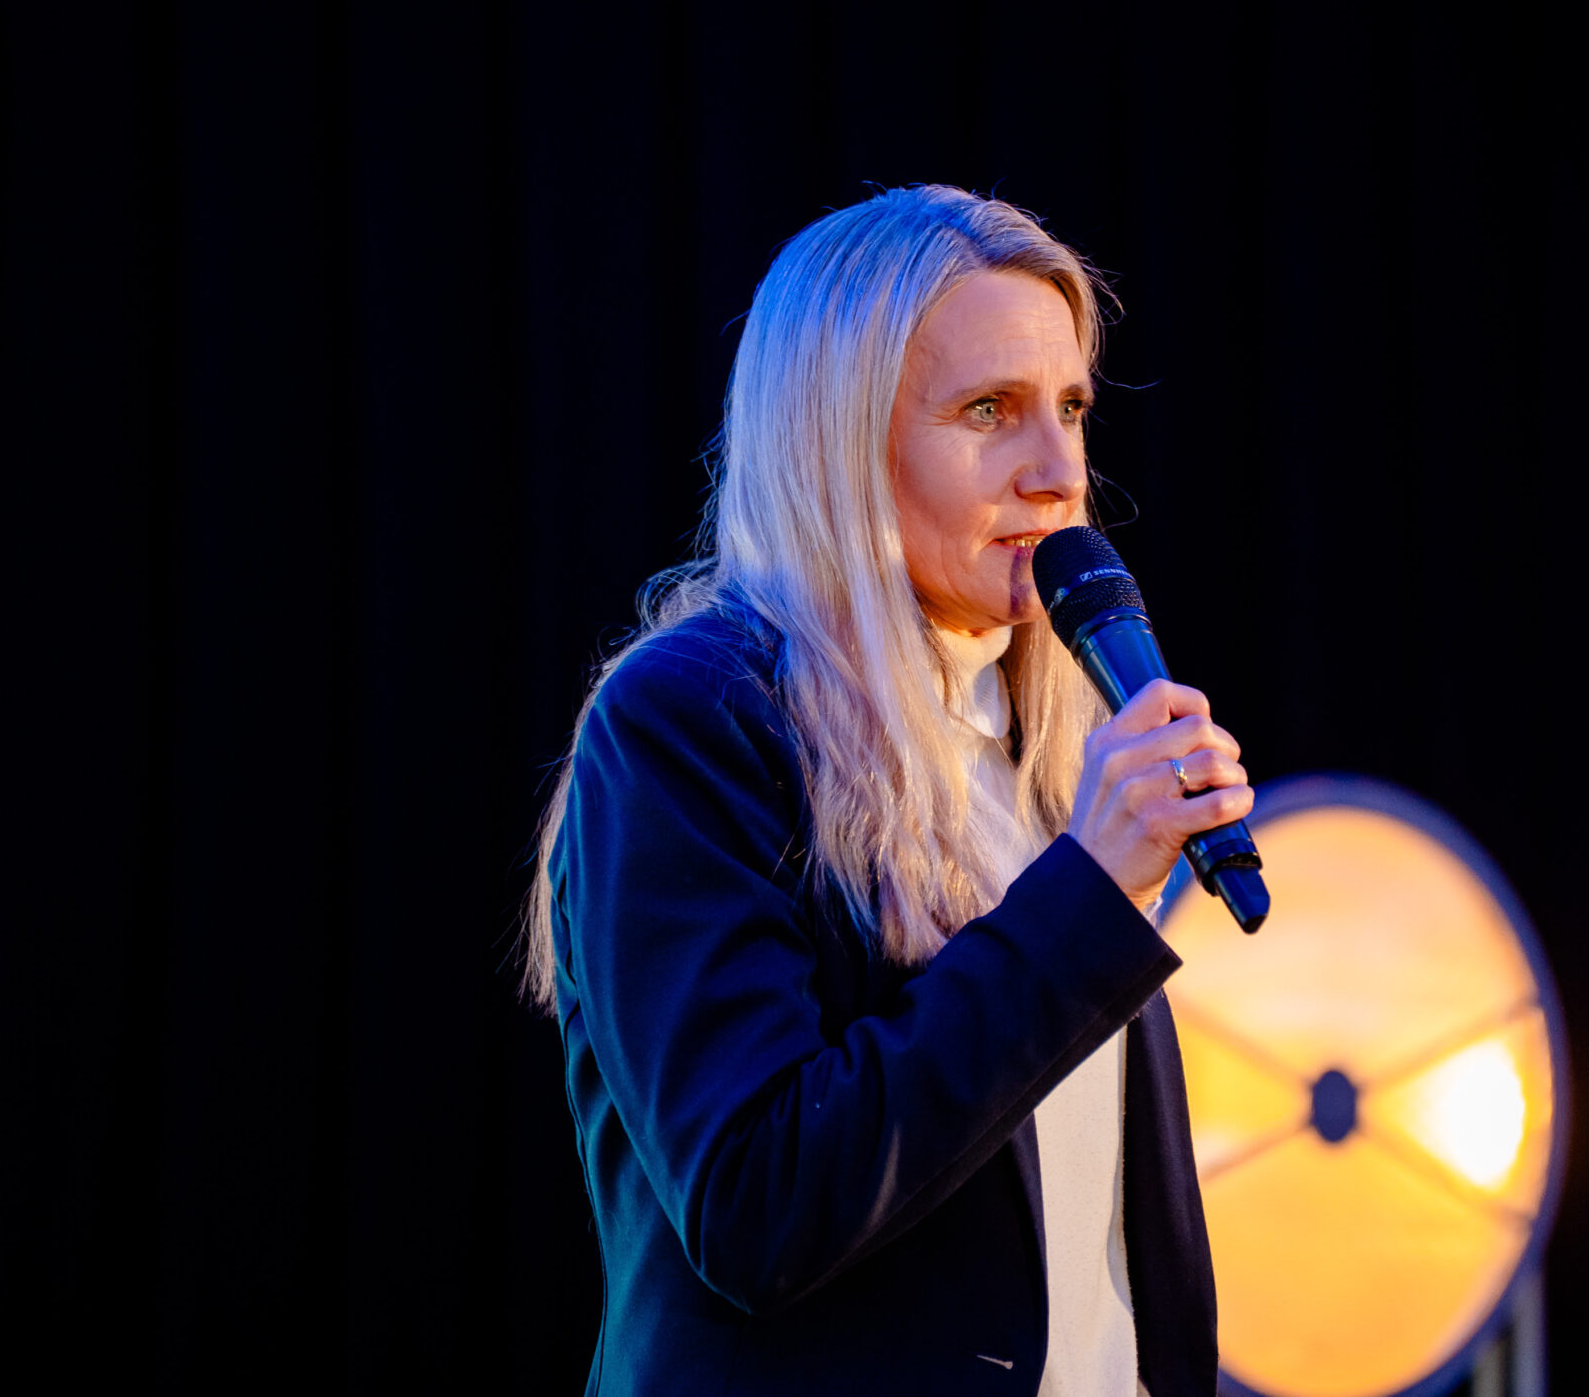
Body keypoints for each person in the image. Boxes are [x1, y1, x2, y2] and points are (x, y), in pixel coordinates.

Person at [521, 185, 1250, 1396]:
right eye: (989, 411)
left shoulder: (1042, 745)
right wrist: (1086, 896)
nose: (1058, 472)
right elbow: (757, 1206)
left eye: (1071, 408)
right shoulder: (690, 723)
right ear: (839, 443)